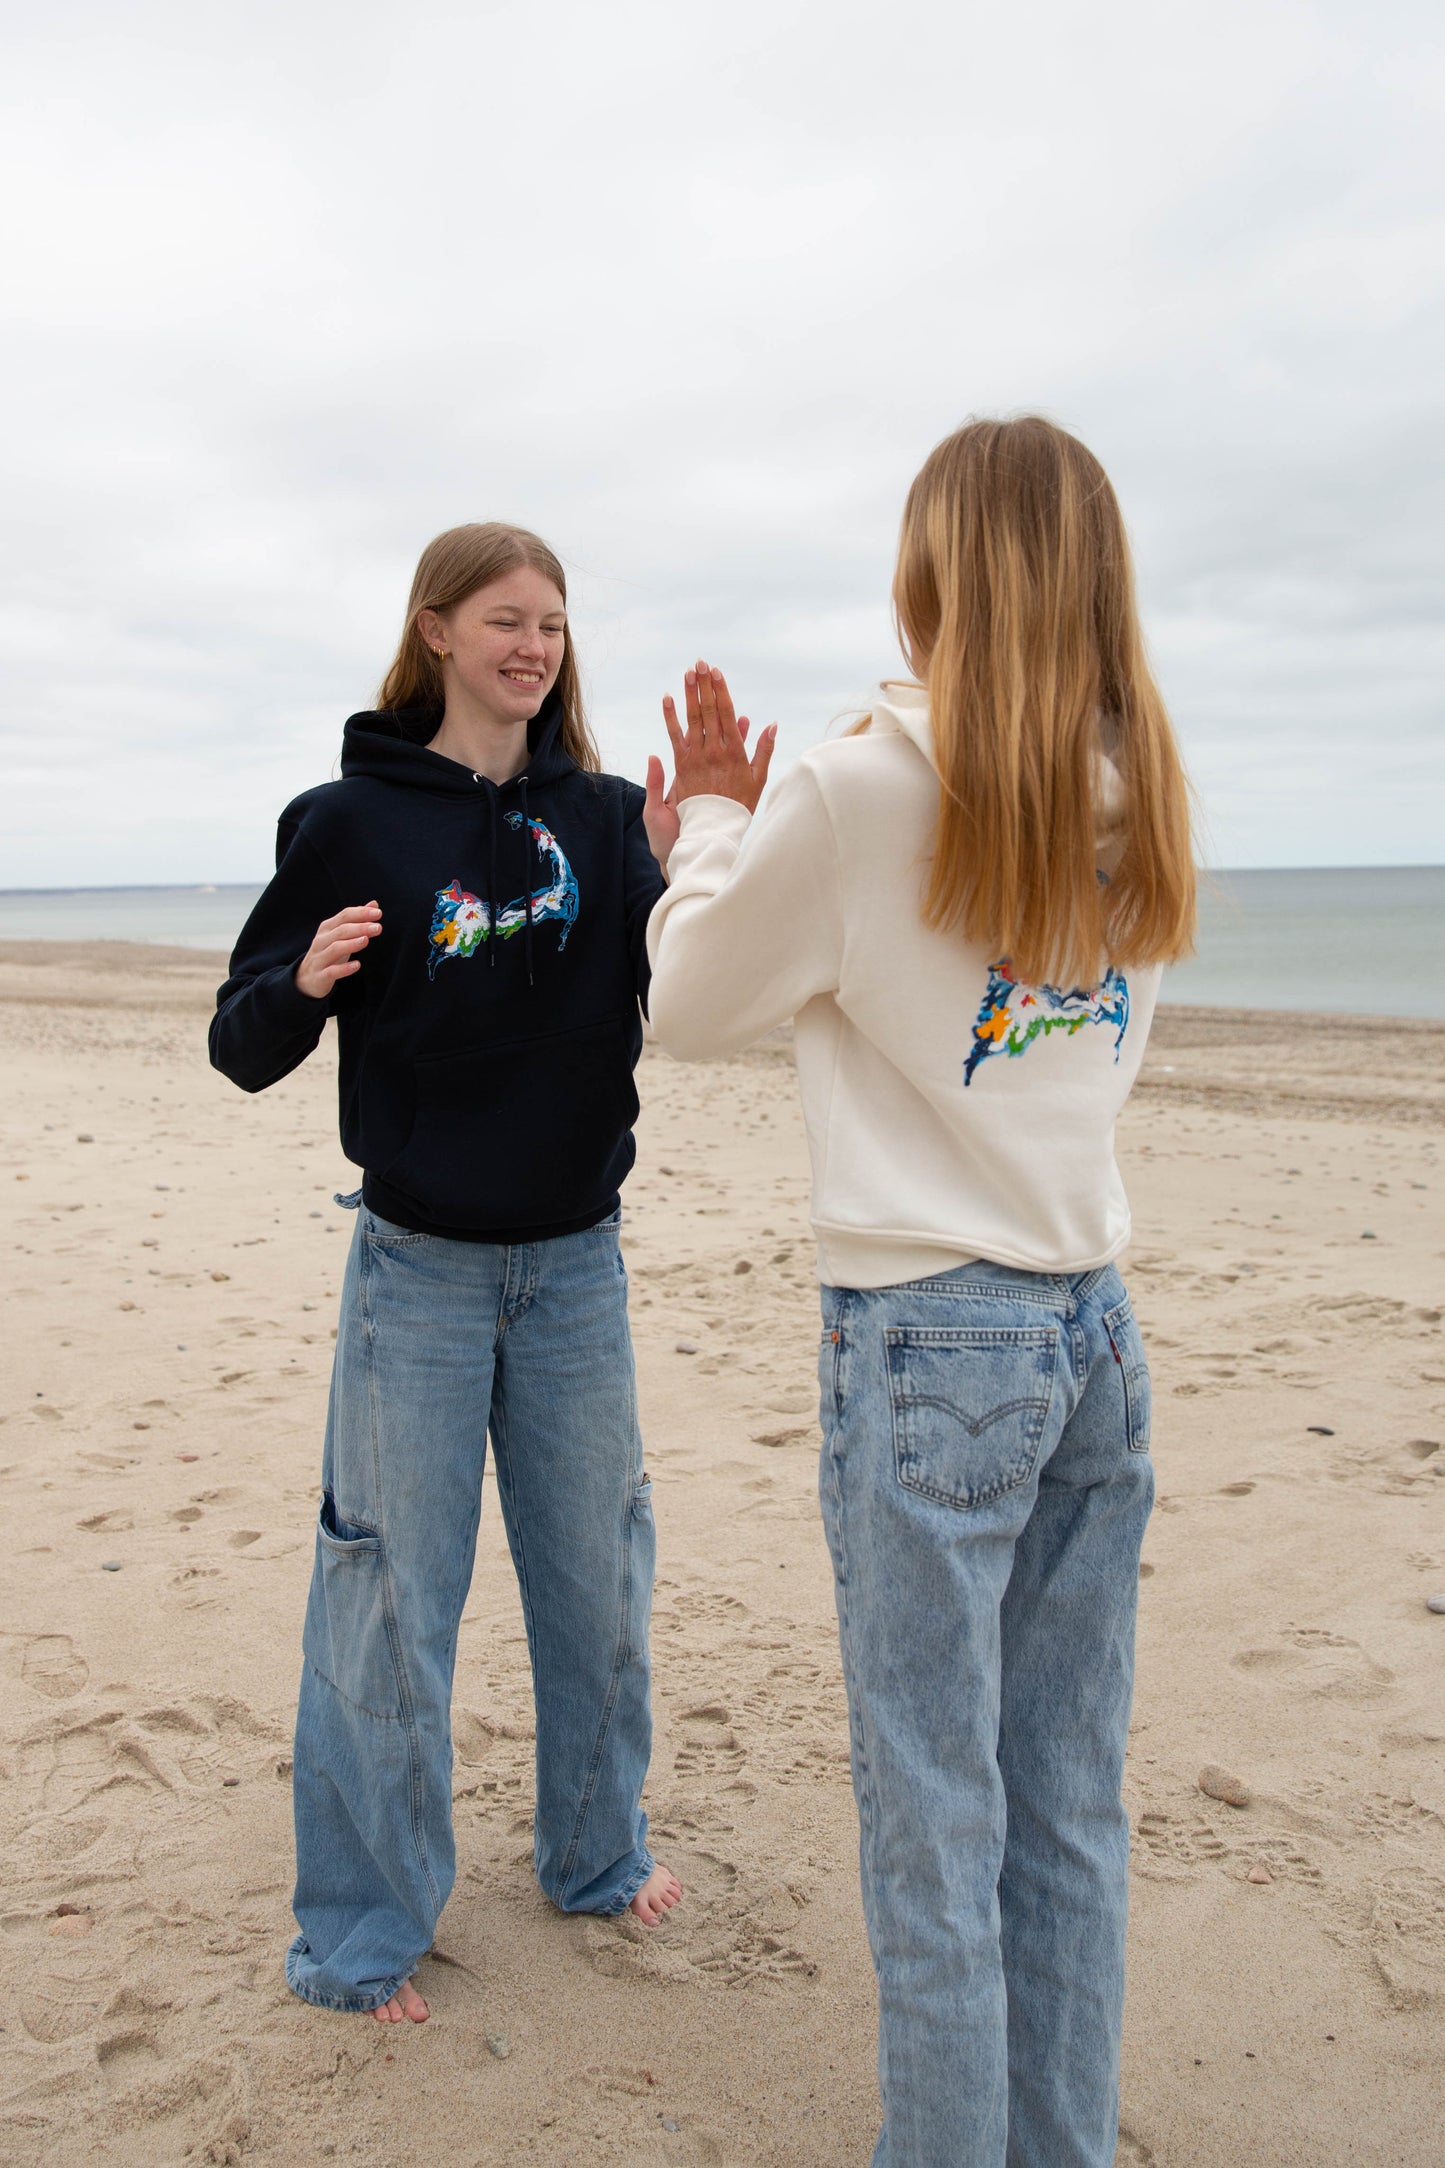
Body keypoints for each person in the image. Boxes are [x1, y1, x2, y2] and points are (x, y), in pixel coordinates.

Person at [641, 418, 1196, 2167]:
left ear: (931, 573)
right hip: (1088, 1324)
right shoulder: (1142, 780)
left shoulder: (866, 783)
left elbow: (689, 1004)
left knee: (936, 1822)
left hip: (934, 1338)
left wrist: (713, 824)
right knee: (1066, 1805)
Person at [210, 521, 681, 2026]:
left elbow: (692, 995)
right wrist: (302, 983)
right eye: (503, 618)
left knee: (596, 1586)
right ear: (433, 633)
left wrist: (691, 871)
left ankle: (594, 1854)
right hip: (415, 1269)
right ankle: (360, 1933)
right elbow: (241, 1043)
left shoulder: (608, 820)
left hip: (577, 1270)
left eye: (551, 621)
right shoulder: (346, 820)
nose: (533, 645)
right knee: (388, 1598)